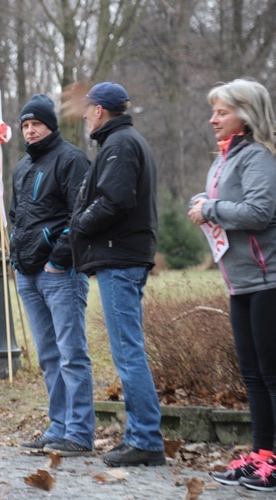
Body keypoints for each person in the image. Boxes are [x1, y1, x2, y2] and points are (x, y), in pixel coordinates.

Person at [69, 82, 165, 467]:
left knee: (127, 352)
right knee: (127, 349)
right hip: (122, 255)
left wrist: (79, 225)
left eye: (88, 107)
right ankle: (141, 436)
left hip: (120, 257)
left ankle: (145, 439)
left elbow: (115, 200)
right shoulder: (120, 141)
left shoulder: (120, 144)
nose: (84, 114)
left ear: (99, 110)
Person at [187, 78, 276, 491]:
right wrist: (204, 205)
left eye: (221, 111)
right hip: (240, 285)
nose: (213, 119)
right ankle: (262, 455)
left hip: (267, 281)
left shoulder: (258, 155)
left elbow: (259, 212)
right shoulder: (225, 157)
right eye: (214, 111)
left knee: (272, 375)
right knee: (254, 376)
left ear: (246, 113)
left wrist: (213, 208)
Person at [8, 94, 94, 456]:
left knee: (72, 353)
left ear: (51, 126)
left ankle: (79, 433)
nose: (30, 131)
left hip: (60, 273)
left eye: (36, 124)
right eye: (25, 125)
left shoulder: (72, 159)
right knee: (48, 355)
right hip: (27, 274)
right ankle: (58, 427)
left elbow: (83, 214)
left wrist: (58, 258)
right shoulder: (21, 167)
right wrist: (17, 257)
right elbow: (17, 215)